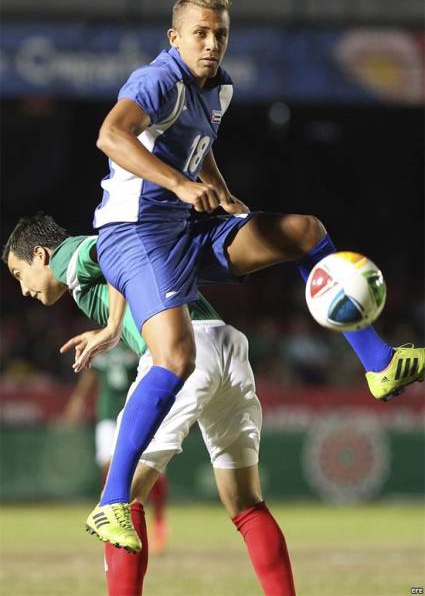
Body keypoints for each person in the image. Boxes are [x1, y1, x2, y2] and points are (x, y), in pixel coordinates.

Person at [66, 0, 424, 547]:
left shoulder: (219, 90)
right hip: (133, 233)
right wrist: (183, 186)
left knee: (305, 231)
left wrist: (221, 193)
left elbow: (197, 144)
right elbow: (110, 134)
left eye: (221, 35)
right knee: (177, 357)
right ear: (175, 37)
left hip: (186, 227)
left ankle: (378, 363)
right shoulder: (156, 79)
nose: (211, 44)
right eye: (201, 34)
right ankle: (112, 502)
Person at [4, 213, 296, 596]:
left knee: (120, 498)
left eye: (18, 274)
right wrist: (114, 323)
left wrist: (112, 326)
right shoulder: (81, 276)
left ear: (40, 254)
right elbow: (127, 261)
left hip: (186, 350)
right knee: (245, 502)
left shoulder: (66, 256)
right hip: (226, 345)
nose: (23, 289)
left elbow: (114, 249)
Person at [62, 342, 169, 553]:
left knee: (153, 467)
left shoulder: (139, 341)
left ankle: (159, 522)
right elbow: (90, 377)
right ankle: (113, 512)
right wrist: (77, 400)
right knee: (108, 463)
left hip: (138, 414)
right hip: (108, 415)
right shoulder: (102, 344)